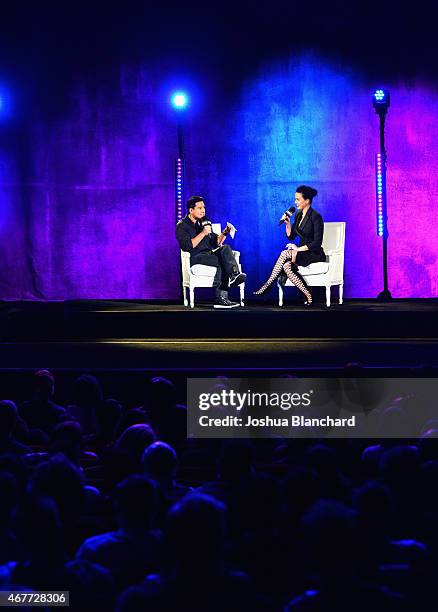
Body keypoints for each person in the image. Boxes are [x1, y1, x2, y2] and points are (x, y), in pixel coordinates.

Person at [254, 186, 325, 305]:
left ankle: (268, 284)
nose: (295, 202)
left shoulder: (316, 217)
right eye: (295, 199)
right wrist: (287, 224)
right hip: (302, 253)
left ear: (307, 200)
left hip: (314, 253)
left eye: (298, 199)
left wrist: (297, 249)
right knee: (287, 266)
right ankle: (308, 295)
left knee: (285, 253)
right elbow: (291, 236)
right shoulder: (298, 214)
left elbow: (317, 243)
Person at [176, 196, 246, 308]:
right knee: (223, 261)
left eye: (203, 207)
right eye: (199, 208)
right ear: (191, 210)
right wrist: (203, 233)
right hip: (195, 256)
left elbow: (216, 242)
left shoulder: (204, 222)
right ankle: (221, 298)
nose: (203, 210)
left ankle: (234, 275)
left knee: (226, 248)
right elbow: (187, 246)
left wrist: (225, 233)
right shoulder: (182, 226)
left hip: (209, 254)